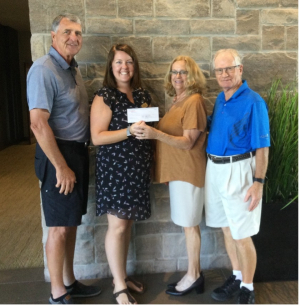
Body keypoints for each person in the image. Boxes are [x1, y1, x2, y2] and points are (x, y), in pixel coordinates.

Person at [27, 14, 101, 304]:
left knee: (70, 223)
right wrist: (61, 166)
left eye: (79, 33)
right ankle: (57, 292)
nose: (74, 37)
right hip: (57, 155)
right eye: (68, 32)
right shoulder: (43, 69)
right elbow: (37, 124)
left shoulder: (71, 68)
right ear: (53, 36)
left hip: (77, 152)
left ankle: (69, 281)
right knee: (58, 226)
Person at [132, 56, 207, 296]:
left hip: (188, 172)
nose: (177, 77)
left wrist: (154, 133)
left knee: (189, 225)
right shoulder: (178, 101)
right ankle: (194, 273)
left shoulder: (193, 101)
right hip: (178, 173)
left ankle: (194, 275)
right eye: (174, 72)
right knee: (187, 225)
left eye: (183, 72)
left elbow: (187, 143)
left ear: (192, 76)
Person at [205, 49, 270, 304]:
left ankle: (248, 287)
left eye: (229, 69)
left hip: (239, 170)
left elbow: (263, 148)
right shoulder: (221, 98)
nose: (224, 74)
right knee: (226, 228)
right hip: (214, 169)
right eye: (219, 70)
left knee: (242, 234)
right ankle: (236, 275)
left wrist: (258, 183)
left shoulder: (254, 102)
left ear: (240, 69)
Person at [90, 44, 153, 304]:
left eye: (129, 62)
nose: (124, 67)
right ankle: (118, 286)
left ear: (134, 66)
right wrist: (128, 131)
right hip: (115, 171)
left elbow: (149, 130)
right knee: (117, 227)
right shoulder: (105, 95)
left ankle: (122, 275)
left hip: (136, 170)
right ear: (111, 66)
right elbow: (97, 137)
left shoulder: (141, 95)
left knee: (126, 225)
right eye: (118, 62)